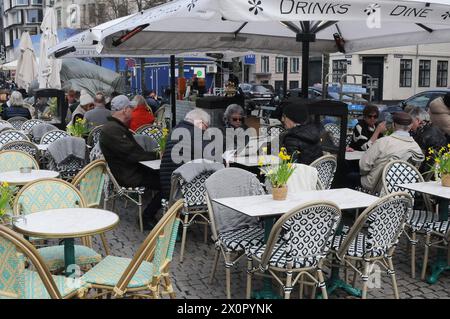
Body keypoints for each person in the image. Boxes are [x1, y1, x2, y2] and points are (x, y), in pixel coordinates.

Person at [99, 95, 161, 229]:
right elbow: (134, 154)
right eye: (131, 109)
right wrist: (158, 155)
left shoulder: (115, 127)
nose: (132, 112)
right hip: (129, 175)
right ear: (124, 110)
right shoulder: (113, 130)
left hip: (131, 170)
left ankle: (151, 215)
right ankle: (147, 217)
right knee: (168, 182)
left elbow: (134, 152)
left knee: (165, 178)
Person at [359, 112, 424, 193]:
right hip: (404, 191)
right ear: (410, 126)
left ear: (393, 125)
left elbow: (363, 167)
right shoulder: (416, 148)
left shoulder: (383, 142)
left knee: (348, 177)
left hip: (377, 188)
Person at [160, 108, 213, 199]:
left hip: (168, 186)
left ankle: (148, 213)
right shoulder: (197, 134)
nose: (206, 130)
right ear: (200, 123)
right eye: (206, 127)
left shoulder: (174, 131)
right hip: (186, 191)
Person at [408, 106, 447, 173]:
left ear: (417, 121)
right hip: (442, 169)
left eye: (411, 122)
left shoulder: (422, 135)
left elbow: (418, 160)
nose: (410, 125)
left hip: (428, 174)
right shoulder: (435, 128)